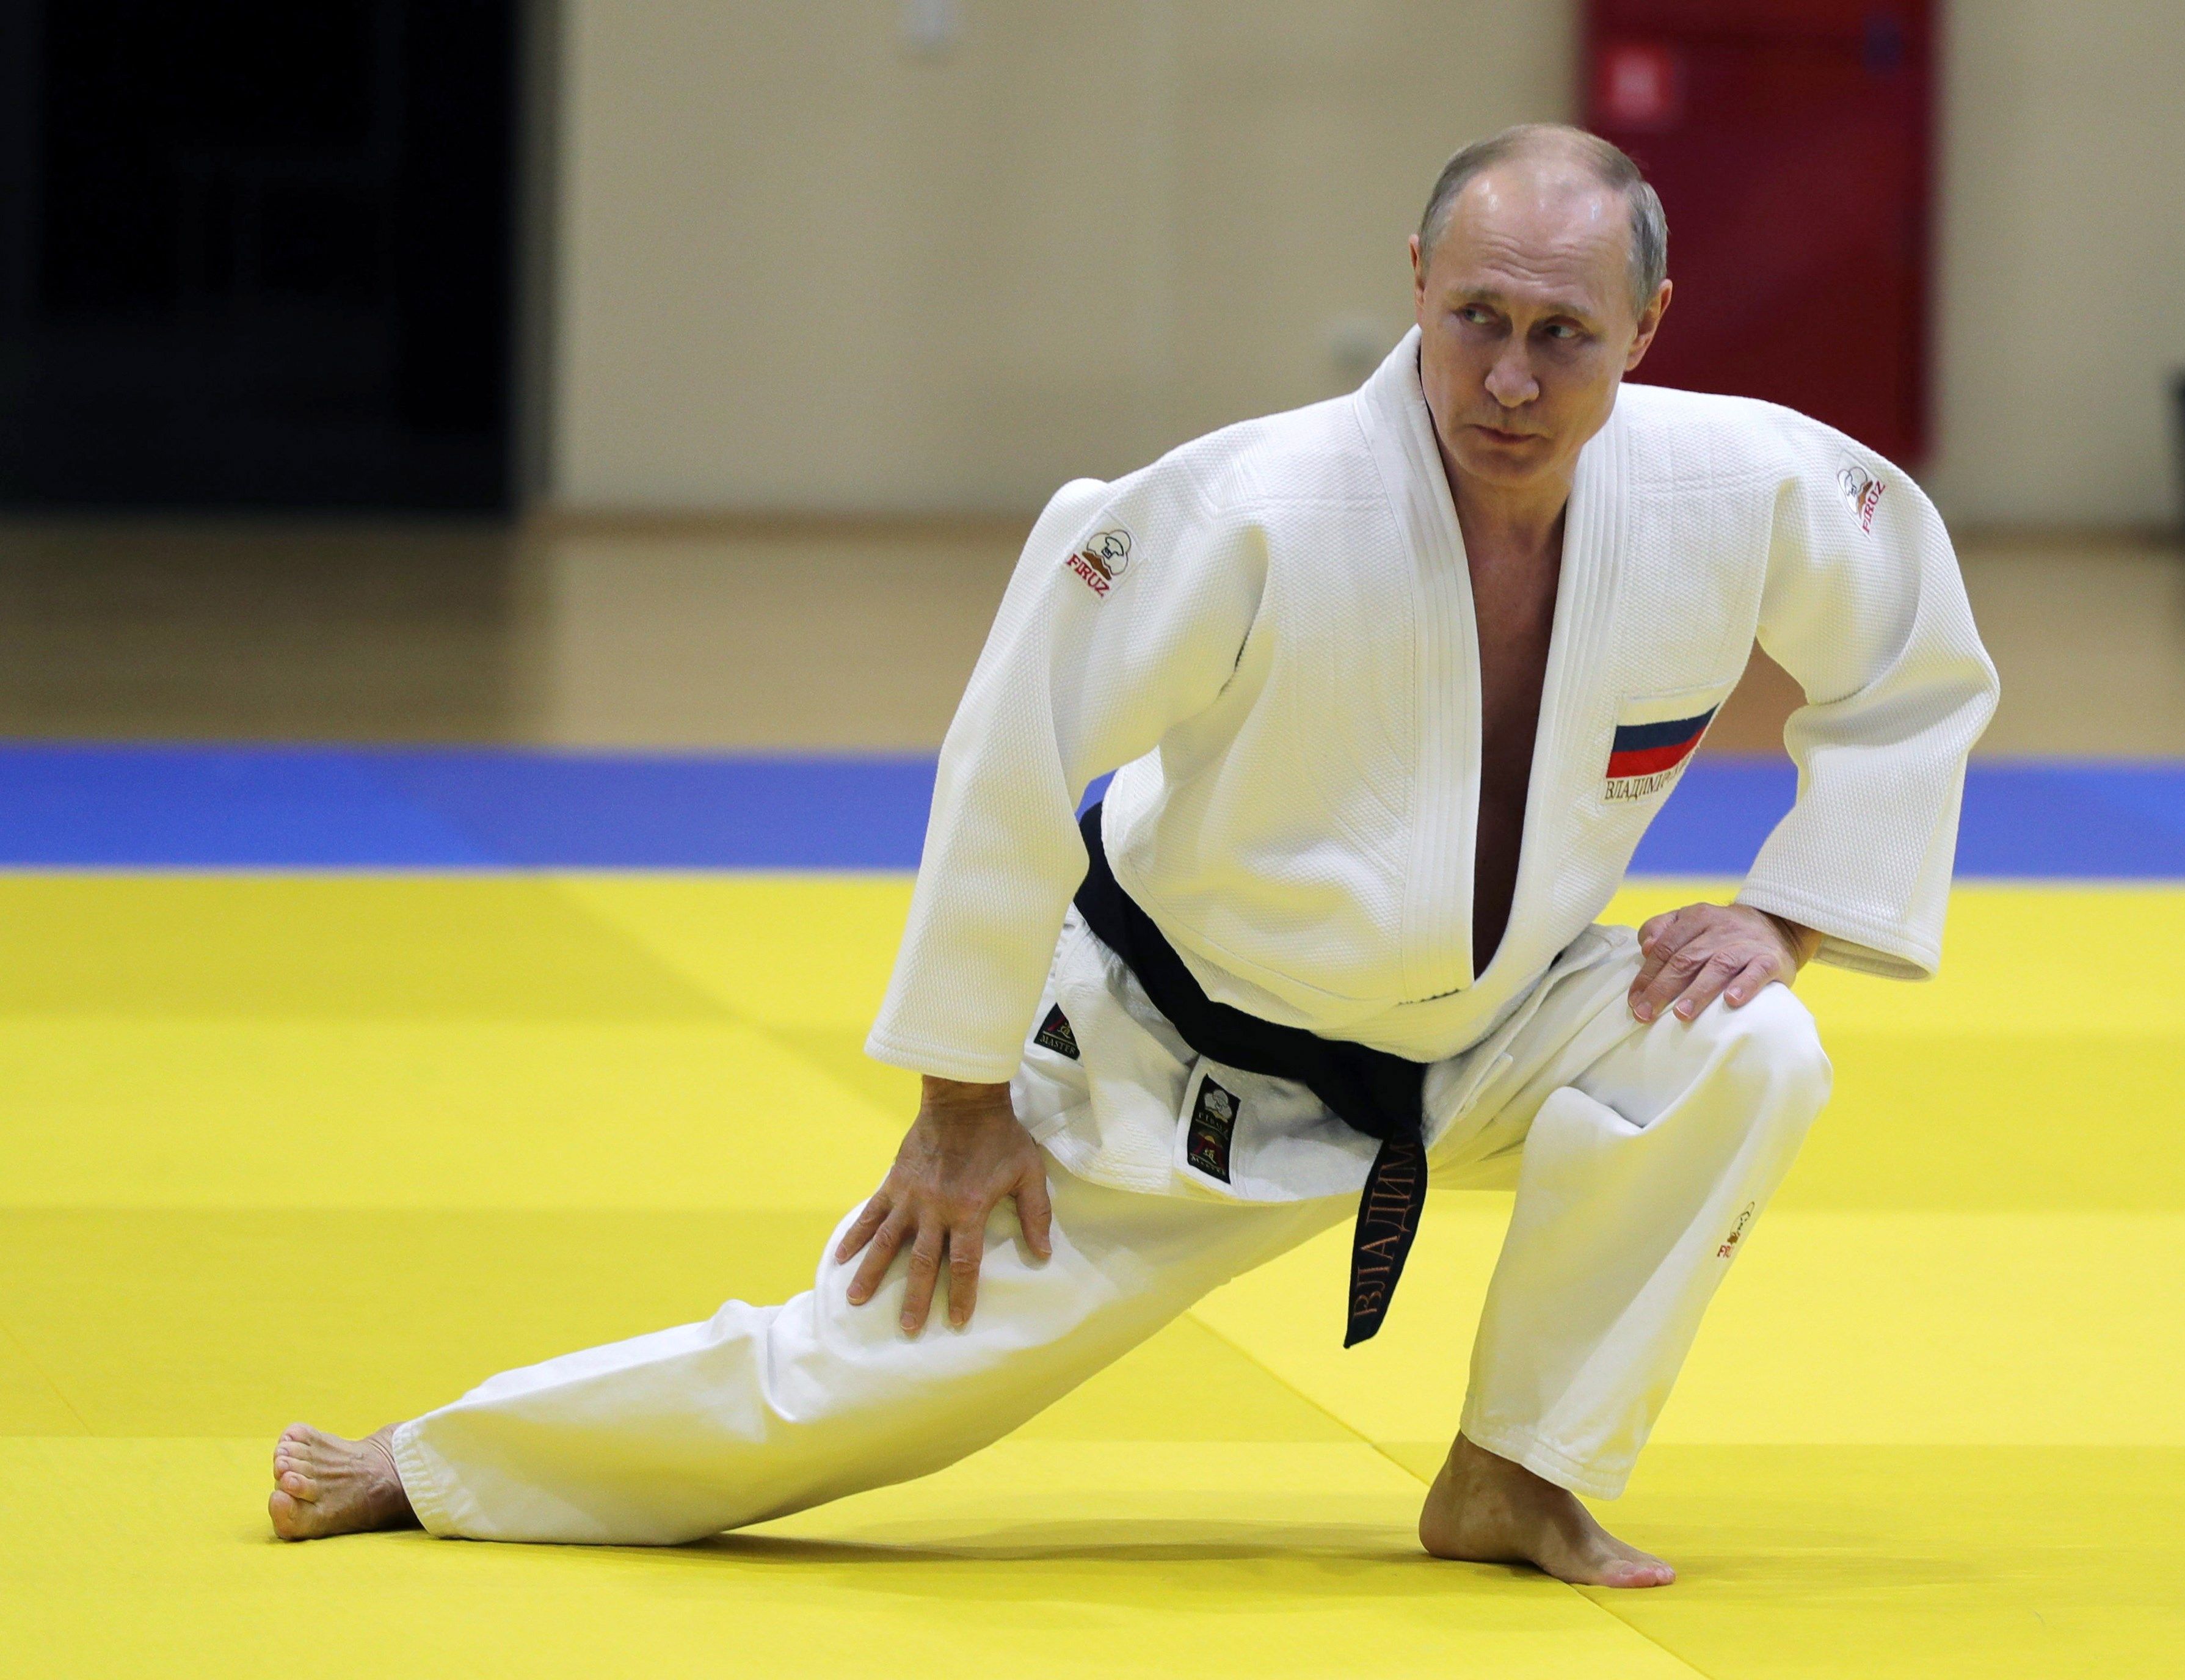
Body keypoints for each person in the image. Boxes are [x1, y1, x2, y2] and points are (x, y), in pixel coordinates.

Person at [268, 124, 1996, 1588]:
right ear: (1411, 280)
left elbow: (1910, 646)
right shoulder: (1244, 506)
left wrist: (1791, 909)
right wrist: (958, 1102)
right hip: (1180, 1069)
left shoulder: (1741, 486)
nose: (1510, 379)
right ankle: (438, 1461)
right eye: (1475, 318)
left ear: (1649, 324)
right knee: (849, 1393)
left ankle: (1515, 1472)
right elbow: (1010, 758)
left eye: (1565, 333)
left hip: (1490, 1024)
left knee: (1749, 1046)